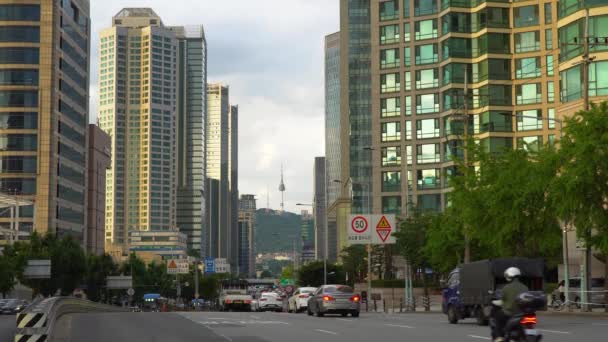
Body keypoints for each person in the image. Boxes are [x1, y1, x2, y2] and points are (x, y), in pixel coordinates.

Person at [492, 267, 529, 342]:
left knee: (497, 319)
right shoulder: (525, 287)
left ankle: (499, 337)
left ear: (510, 276)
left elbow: (502, 300)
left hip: (509, 313)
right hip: (522, 314)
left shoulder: (506, 288)